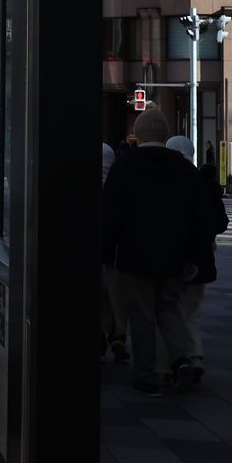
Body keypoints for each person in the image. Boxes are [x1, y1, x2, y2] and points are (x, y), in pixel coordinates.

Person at [100, 108, 205, 394]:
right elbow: (198, 216)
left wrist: (107, 253)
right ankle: (180, 358)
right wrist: (194, 256)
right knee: (169, 307)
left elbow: (112, 214)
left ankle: (146, 376)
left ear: (140, 134)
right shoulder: (185, 169)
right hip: (174, 253)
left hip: (135, 254)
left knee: (142, 314)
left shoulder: (126, 165)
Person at [168, 135, 229, 383]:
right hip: (202, 256)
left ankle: (176, 359)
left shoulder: (170, 181)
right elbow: (220, 222)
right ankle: (195, 355)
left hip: (174, 256)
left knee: (170, 308)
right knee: (191, 310)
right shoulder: (204, 182)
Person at [100, 142, 130, 365]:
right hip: (120, 254)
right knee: (117, 298)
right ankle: (118, 334)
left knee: (101, 298)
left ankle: (103, 336)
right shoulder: (120, 186)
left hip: (103, 253)